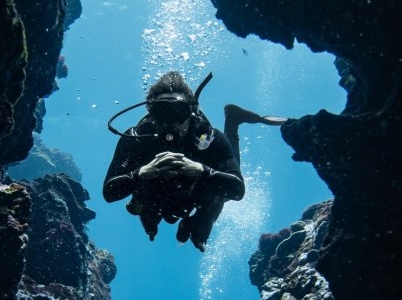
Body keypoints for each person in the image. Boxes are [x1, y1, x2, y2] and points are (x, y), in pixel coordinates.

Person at [103, 71, 286, 252]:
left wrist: (201, 170)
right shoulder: (135, 139)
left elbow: (237, 190)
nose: (171, 123)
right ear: (151, 113)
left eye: (179, 113)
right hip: (153, 197)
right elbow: (109, 193)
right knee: (146, 215)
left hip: (199, 196)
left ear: (190, 112)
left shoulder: (209, 138)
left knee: (212, 211)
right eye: (162, 112)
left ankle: (233, 120)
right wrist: (141, 173)